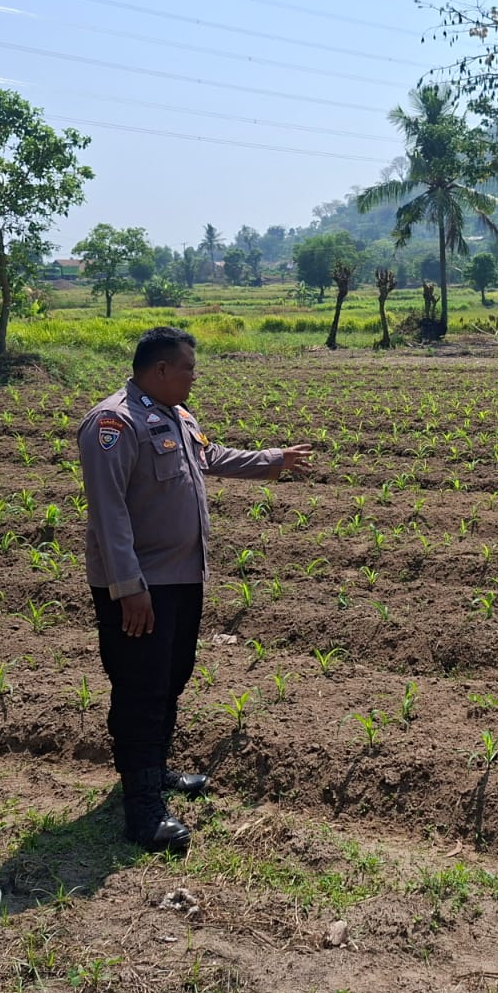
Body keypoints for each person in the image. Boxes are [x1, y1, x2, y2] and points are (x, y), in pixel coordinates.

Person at [77, 326, 312, 851]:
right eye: (187, 367)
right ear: (160, 370)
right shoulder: (113, 423)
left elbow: (212, 457)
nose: (194, 376)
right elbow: (108, 514)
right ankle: (141, 810)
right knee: (140, 688)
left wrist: (274, 459)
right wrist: (128, 587)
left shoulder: (177, 416)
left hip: (183, 576)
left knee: (171, 677)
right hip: (141, 586)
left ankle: (154, 770)